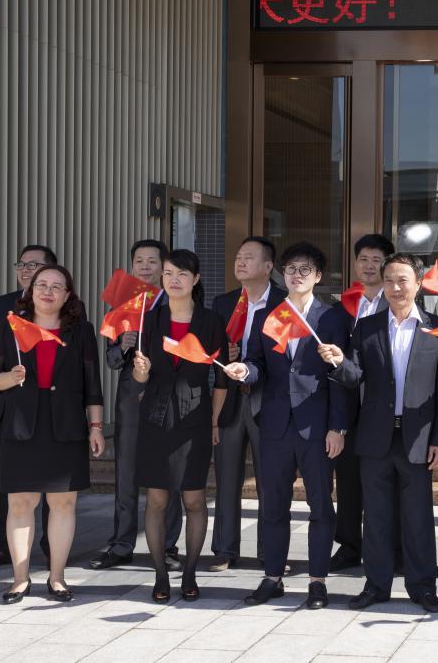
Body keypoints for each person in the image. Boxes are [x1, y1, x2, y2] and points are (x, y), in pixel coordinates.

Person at [320, 253, 438, 613]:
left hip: (418, 438)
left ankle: (422, 587)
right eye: (389, 280)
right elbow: (355, 378)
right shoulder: (367, 327)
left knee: (418, 517)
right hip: (375, 437)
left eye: (402, 280)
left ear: (419, 283)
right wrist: (339, 362)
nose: (395, 287)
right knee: (376, 516)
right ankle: (376, 585)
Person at [224, 241, 352, 608]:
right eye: (291, 269)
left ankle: (317, 581)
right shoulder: (271, 315)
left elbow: (342, 378)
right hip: (276, 425)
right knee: (274, 506)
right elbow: (257, 363)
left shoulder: (332, 318)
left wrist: (337, 428)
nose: (297, 275)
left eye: (305, 270)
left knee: (321, 506)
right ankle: (273, 577)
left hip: (317, 427)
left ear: (318, 276)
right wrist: (244, 370)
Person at [0, 265, 105, 603]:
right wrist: (10, 377)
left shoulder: (81, 331)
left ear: (67, 295)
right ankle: (20, 579)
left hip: (65, 427)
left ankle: (57, 577)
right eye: (41, 285)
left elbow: (92, 386)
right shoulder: (12, 327)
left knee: (63, 503)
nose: (47, 291)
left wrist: (96, 427)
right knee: (20, 503)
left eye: (56, 286)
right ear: (30, 291)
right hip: (21, 426)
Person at [131, 249, 229, 603]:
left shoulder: (211, 321)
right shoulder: (150, 318)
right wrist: (140, 371)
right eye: (169, 273)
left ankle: (189, 572)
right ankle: (160, 575)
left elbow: (221, 379)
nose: (174, 280)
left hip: (195, 416)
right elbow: (141, 377)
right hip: (156, 416)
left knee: (194, 499)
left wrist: (215, 420)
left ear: (195, 279)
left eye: (182, 274)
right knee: (157, 499)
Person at [89, 239, 184, 572]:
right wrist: (124, 346)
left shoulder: (176, 303)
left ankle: (168, 545)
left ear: (164, 267)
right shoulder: (125, 303)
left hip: (166, 398)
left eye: (152, 261)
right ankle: (121, 544)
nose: (145, 266)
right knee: (126, 473)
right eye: (139, 261)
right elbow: (111, 359)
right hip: (131, 399)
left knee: (168, 473)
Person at [0, 244, 58, 570]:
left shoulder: (61, 306)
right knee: (7, 481)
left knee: (51, 482)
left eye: (33, 265)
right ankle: (3, 545)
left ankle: (52, 543)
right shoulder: (3, 304)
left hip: (48, 405)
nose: (25, 270)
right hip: (9, 405)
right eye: (21, 264)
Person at [208, 236, 285, 572]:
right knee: (226, 479)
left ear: (268, 266)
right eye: (238, 256)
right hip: (230, 400)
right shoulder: (223, 303)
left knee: (270, 481)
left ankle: (271, 551)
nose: (240, 262)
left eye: (249, 257)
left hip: (268, 401)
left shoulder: (283, 303)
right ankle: (224, 549)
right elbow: (211, 353)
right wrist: (224, 355)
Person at [332, 233, 395, 572]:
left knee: (385, 483)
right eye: (363, 260)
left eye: (376, 260)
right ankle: (348, 545)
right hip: (348, 405)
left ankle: (388, 548)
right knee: (348, 480)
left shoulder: (396, 303)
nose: (369, 266)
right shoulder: (343, 306)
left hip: (382, 407)